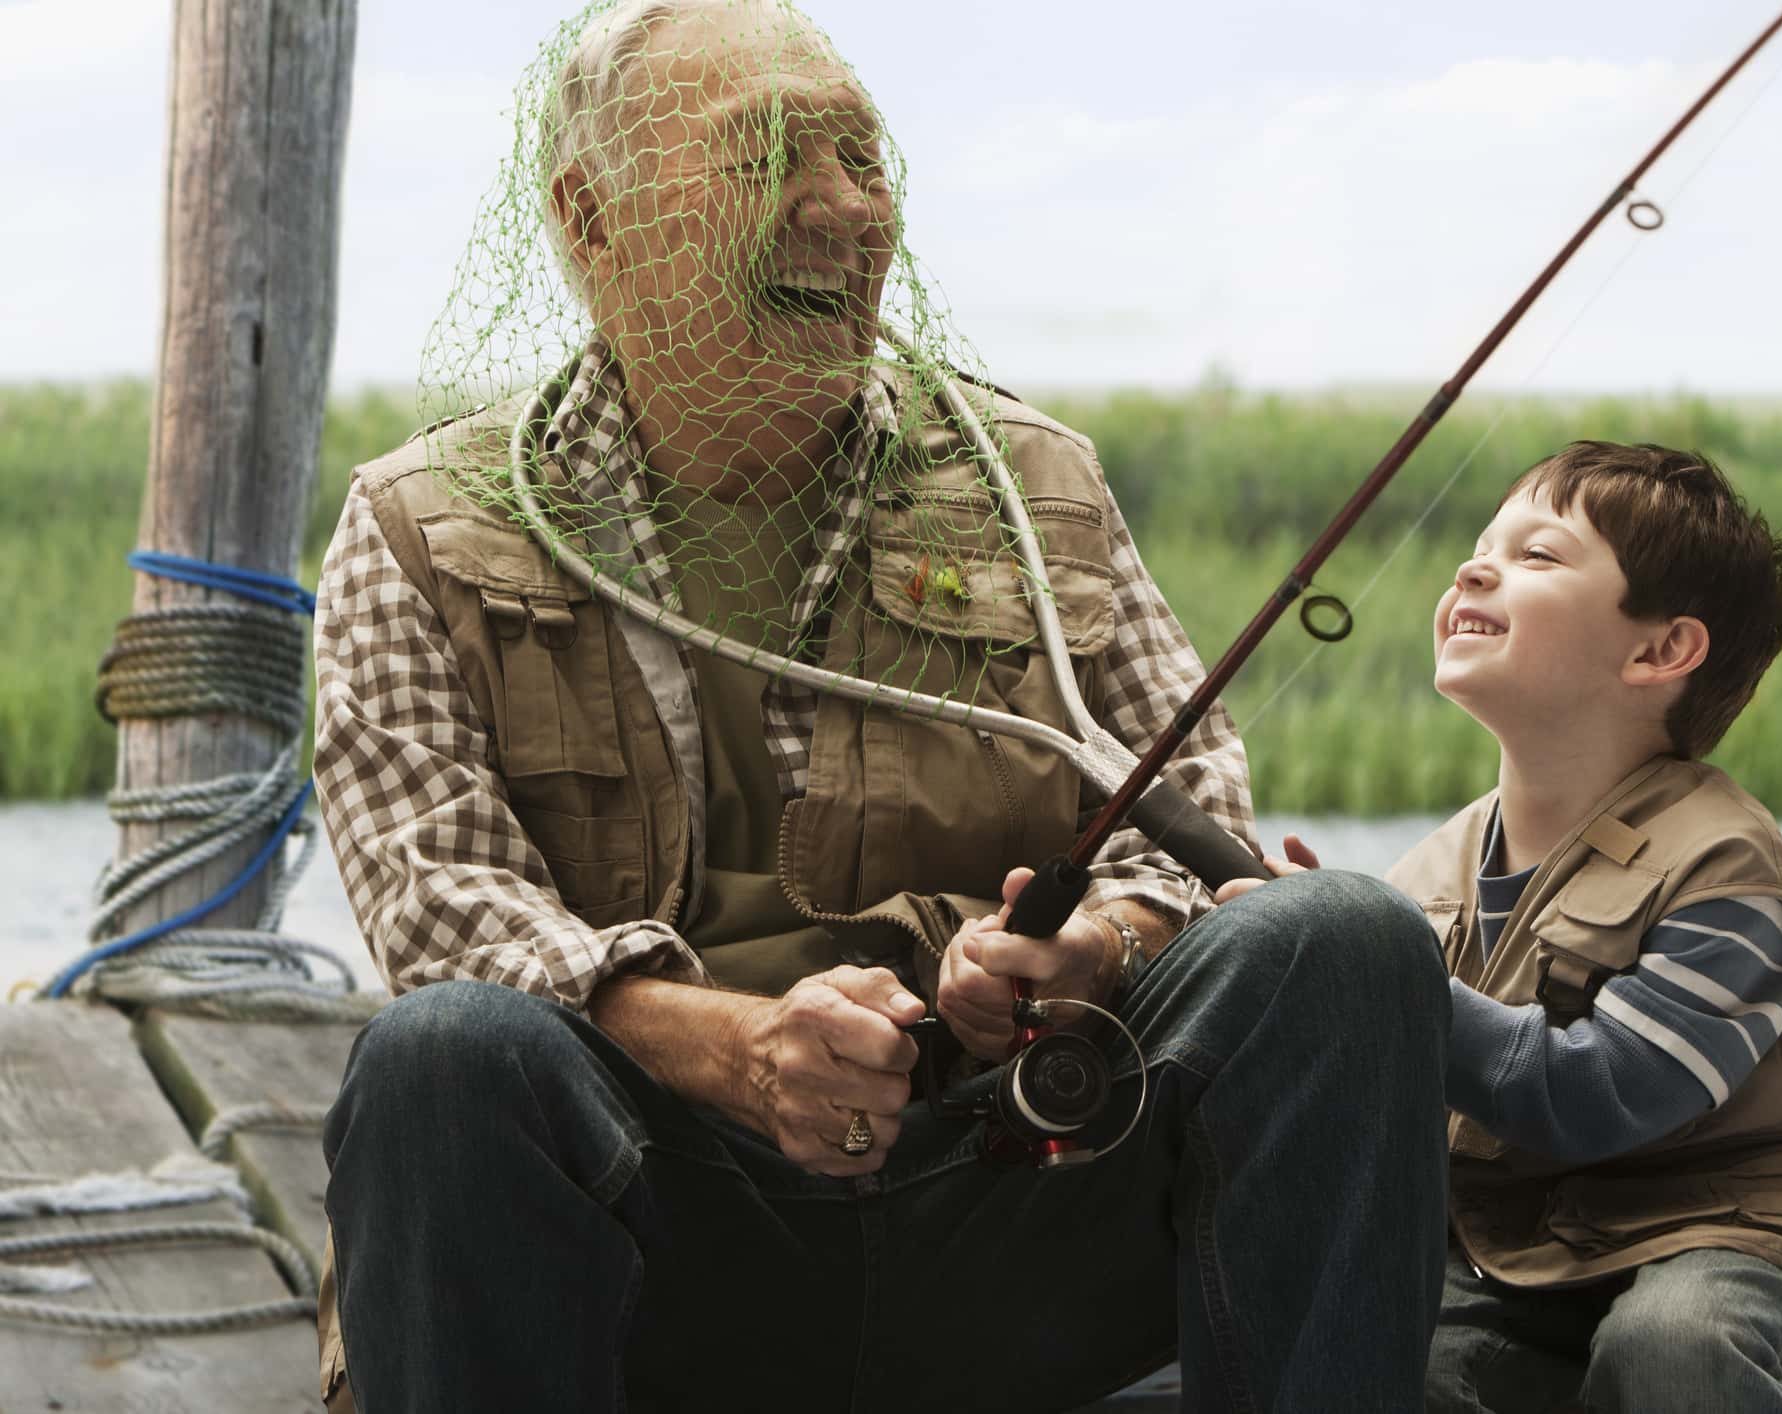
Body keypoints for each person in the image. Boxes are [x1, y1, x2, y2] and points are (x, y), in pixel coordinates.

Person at [310, 2, 1449, 1410]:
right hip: (664, 1237)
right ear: (591, 218)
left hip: (1017, 1178)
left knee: (1340, 938)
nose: (844, 205)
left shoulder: (1040, 487)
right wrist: (735, 1047)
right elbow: (444, 913)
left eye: (860, 152)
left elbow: (1189, 820)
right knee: (440, 1053)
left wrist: (1097, 944)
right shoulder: (416, 524)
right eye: (774, 154)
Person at [1220, 442, 1782, 1413]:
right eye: (1482, 544)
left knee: (1669, 1354)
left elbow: (1598, 1092)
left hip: (1746, 1214)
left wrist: (1381, 969)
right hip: (1536, 1229)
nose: (1473, 567)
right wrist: (1317, 950)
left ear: (1660, 651)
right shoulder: (1446, 858)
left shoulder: (1730, 869)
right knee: (1386, 1365)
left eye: (1538, 556)